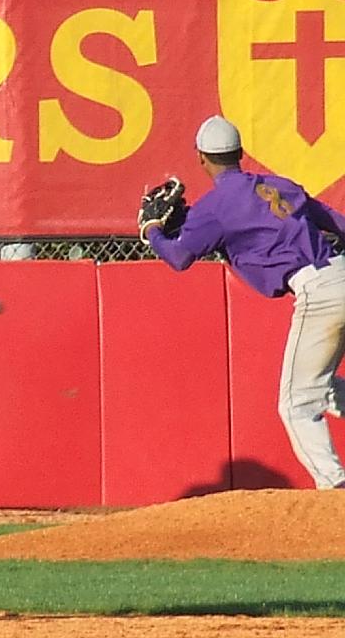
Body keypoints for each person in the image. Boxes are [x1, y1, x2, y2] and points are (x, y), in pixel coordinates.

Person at [142, 114, 345, 489]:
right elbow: (333, 219)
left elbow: (178, 257)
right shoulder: (279, 185)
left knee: (296, 404)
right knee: (322, 386)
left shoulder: (214, 207)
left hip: (319, 291)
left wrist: (152, 231)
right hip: (339, 272)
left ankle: (335, 488)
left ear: (201, 158)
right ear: (240, 153)